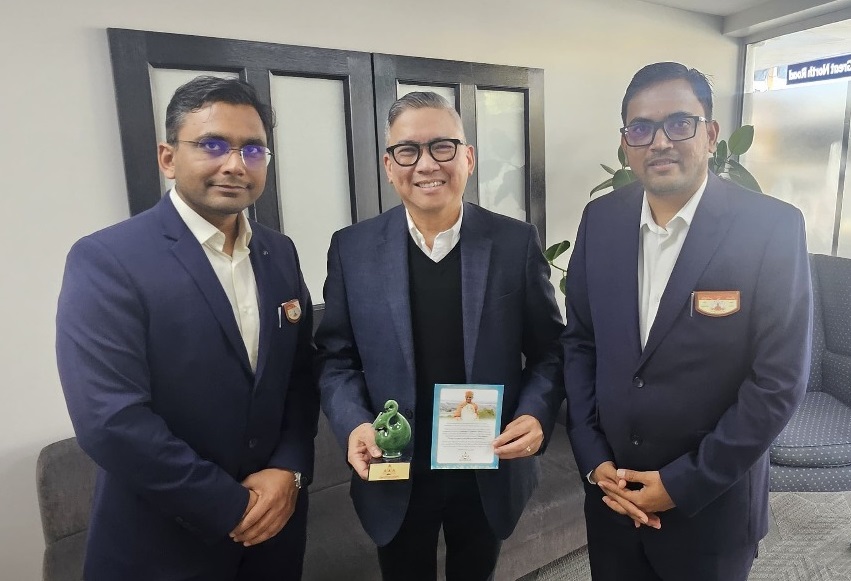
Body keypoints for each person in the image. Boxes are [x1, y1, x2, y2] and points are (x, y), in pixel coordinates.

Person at [56, 76, 318, 581]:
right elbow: (109, 420)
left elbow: (299, 377)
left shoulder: (279, 252)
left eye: (253, 149)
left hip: (274, 536)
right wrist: (230, 506)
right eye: (212, 145)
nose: (235, 164)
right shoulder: (108, 260)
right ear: (168, 157)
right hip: (162, 545)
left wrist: (289, 470)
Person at [561, 61, 813, 581]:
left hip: (711, 510)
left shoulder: (771, 228)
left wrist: (683, 483)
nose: (660, 142)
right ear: (626, 142)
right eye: (641, 128)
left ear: (711, 134)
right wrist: (591, 456)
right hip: (612, 500)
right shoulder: (601, 219)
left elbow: (779, 381)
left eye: (679, 123)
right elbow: (581, 342)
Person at [315, 91, 564, 580]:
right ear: (390, 166)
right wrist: (354, 423)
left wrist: (536, 413)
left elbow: (550, 350)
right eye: (408, 150)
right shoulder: (352, 249)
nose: (426, 164)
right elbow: (335, 359)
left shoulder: (514, 243)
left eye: (442, 147)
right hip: (394, 463)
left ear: (467, 157)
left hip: (486, 461)